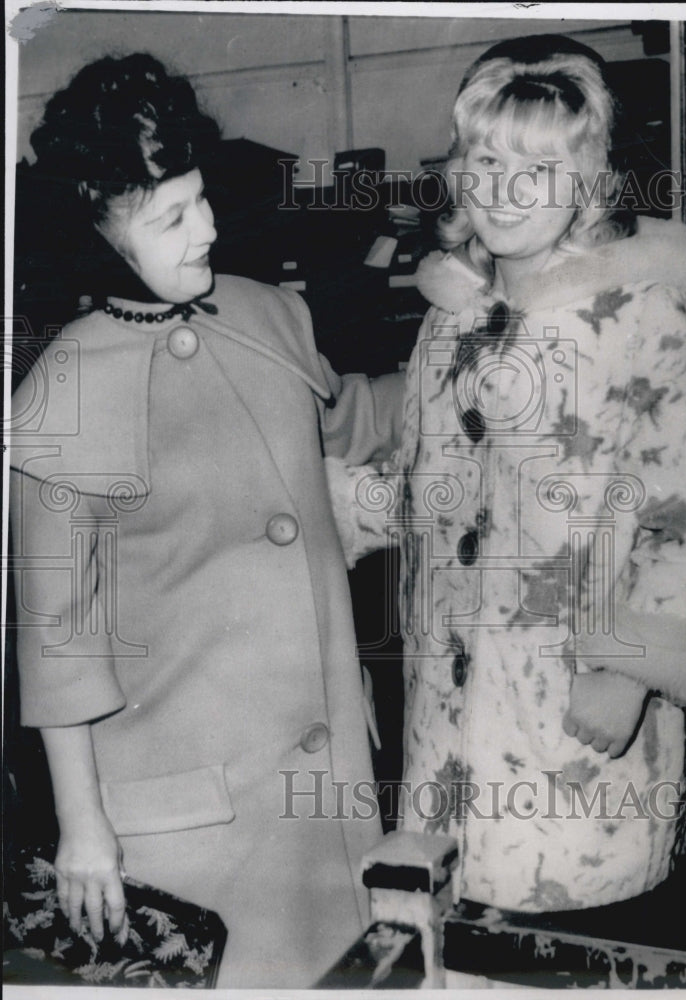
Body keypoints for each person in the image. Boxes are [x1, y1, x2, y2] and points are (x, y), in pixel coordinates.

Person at [8, 53, 404, 988]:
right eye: (172, 217)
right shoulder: (64, 386)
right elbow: (61, 641)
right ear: (97, 235)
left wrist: (472, 357)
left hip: (324, 789)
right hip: (190, 814)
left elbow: (348, 418)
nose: (210, 229)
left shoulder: (269, 315)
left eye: (202, 199)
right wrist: (83, 827)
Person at [327, 34, 686, 914]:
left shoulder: (642, 316)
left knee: (566, 945)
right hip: (447, 719)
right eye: (486, 160)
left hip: (577, 717)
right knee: (460, 946)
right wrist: (331, 502)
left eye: (535, 170)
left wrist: (631, 668)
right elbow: (435, 482)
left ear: (584, 180)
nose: (502, 192)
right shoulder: (454, 313)